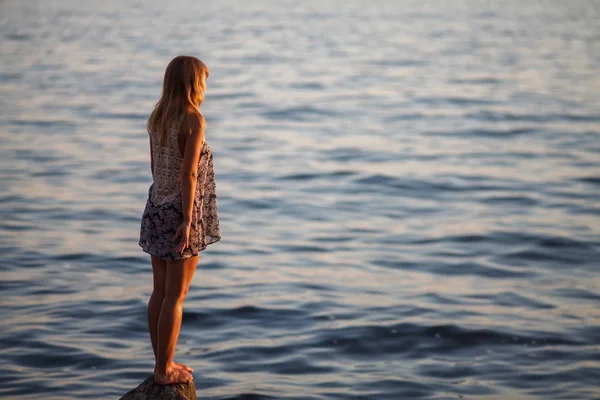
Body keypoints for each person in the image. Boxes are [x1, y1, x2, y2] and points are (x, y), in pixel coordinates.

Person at [138, 55, 221, 385]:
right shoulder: (193, 118)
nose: (205, 87)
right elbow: (188, 173)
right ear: (192, 83)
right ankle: (164, 371)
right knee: (175, 296)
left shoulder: (158, 117)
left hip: (156, 205)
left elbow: (155, 168)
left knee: (159, 292)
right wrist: (188, 220)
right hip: (179, 211)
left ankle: (163, 363)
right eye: (203, 81)